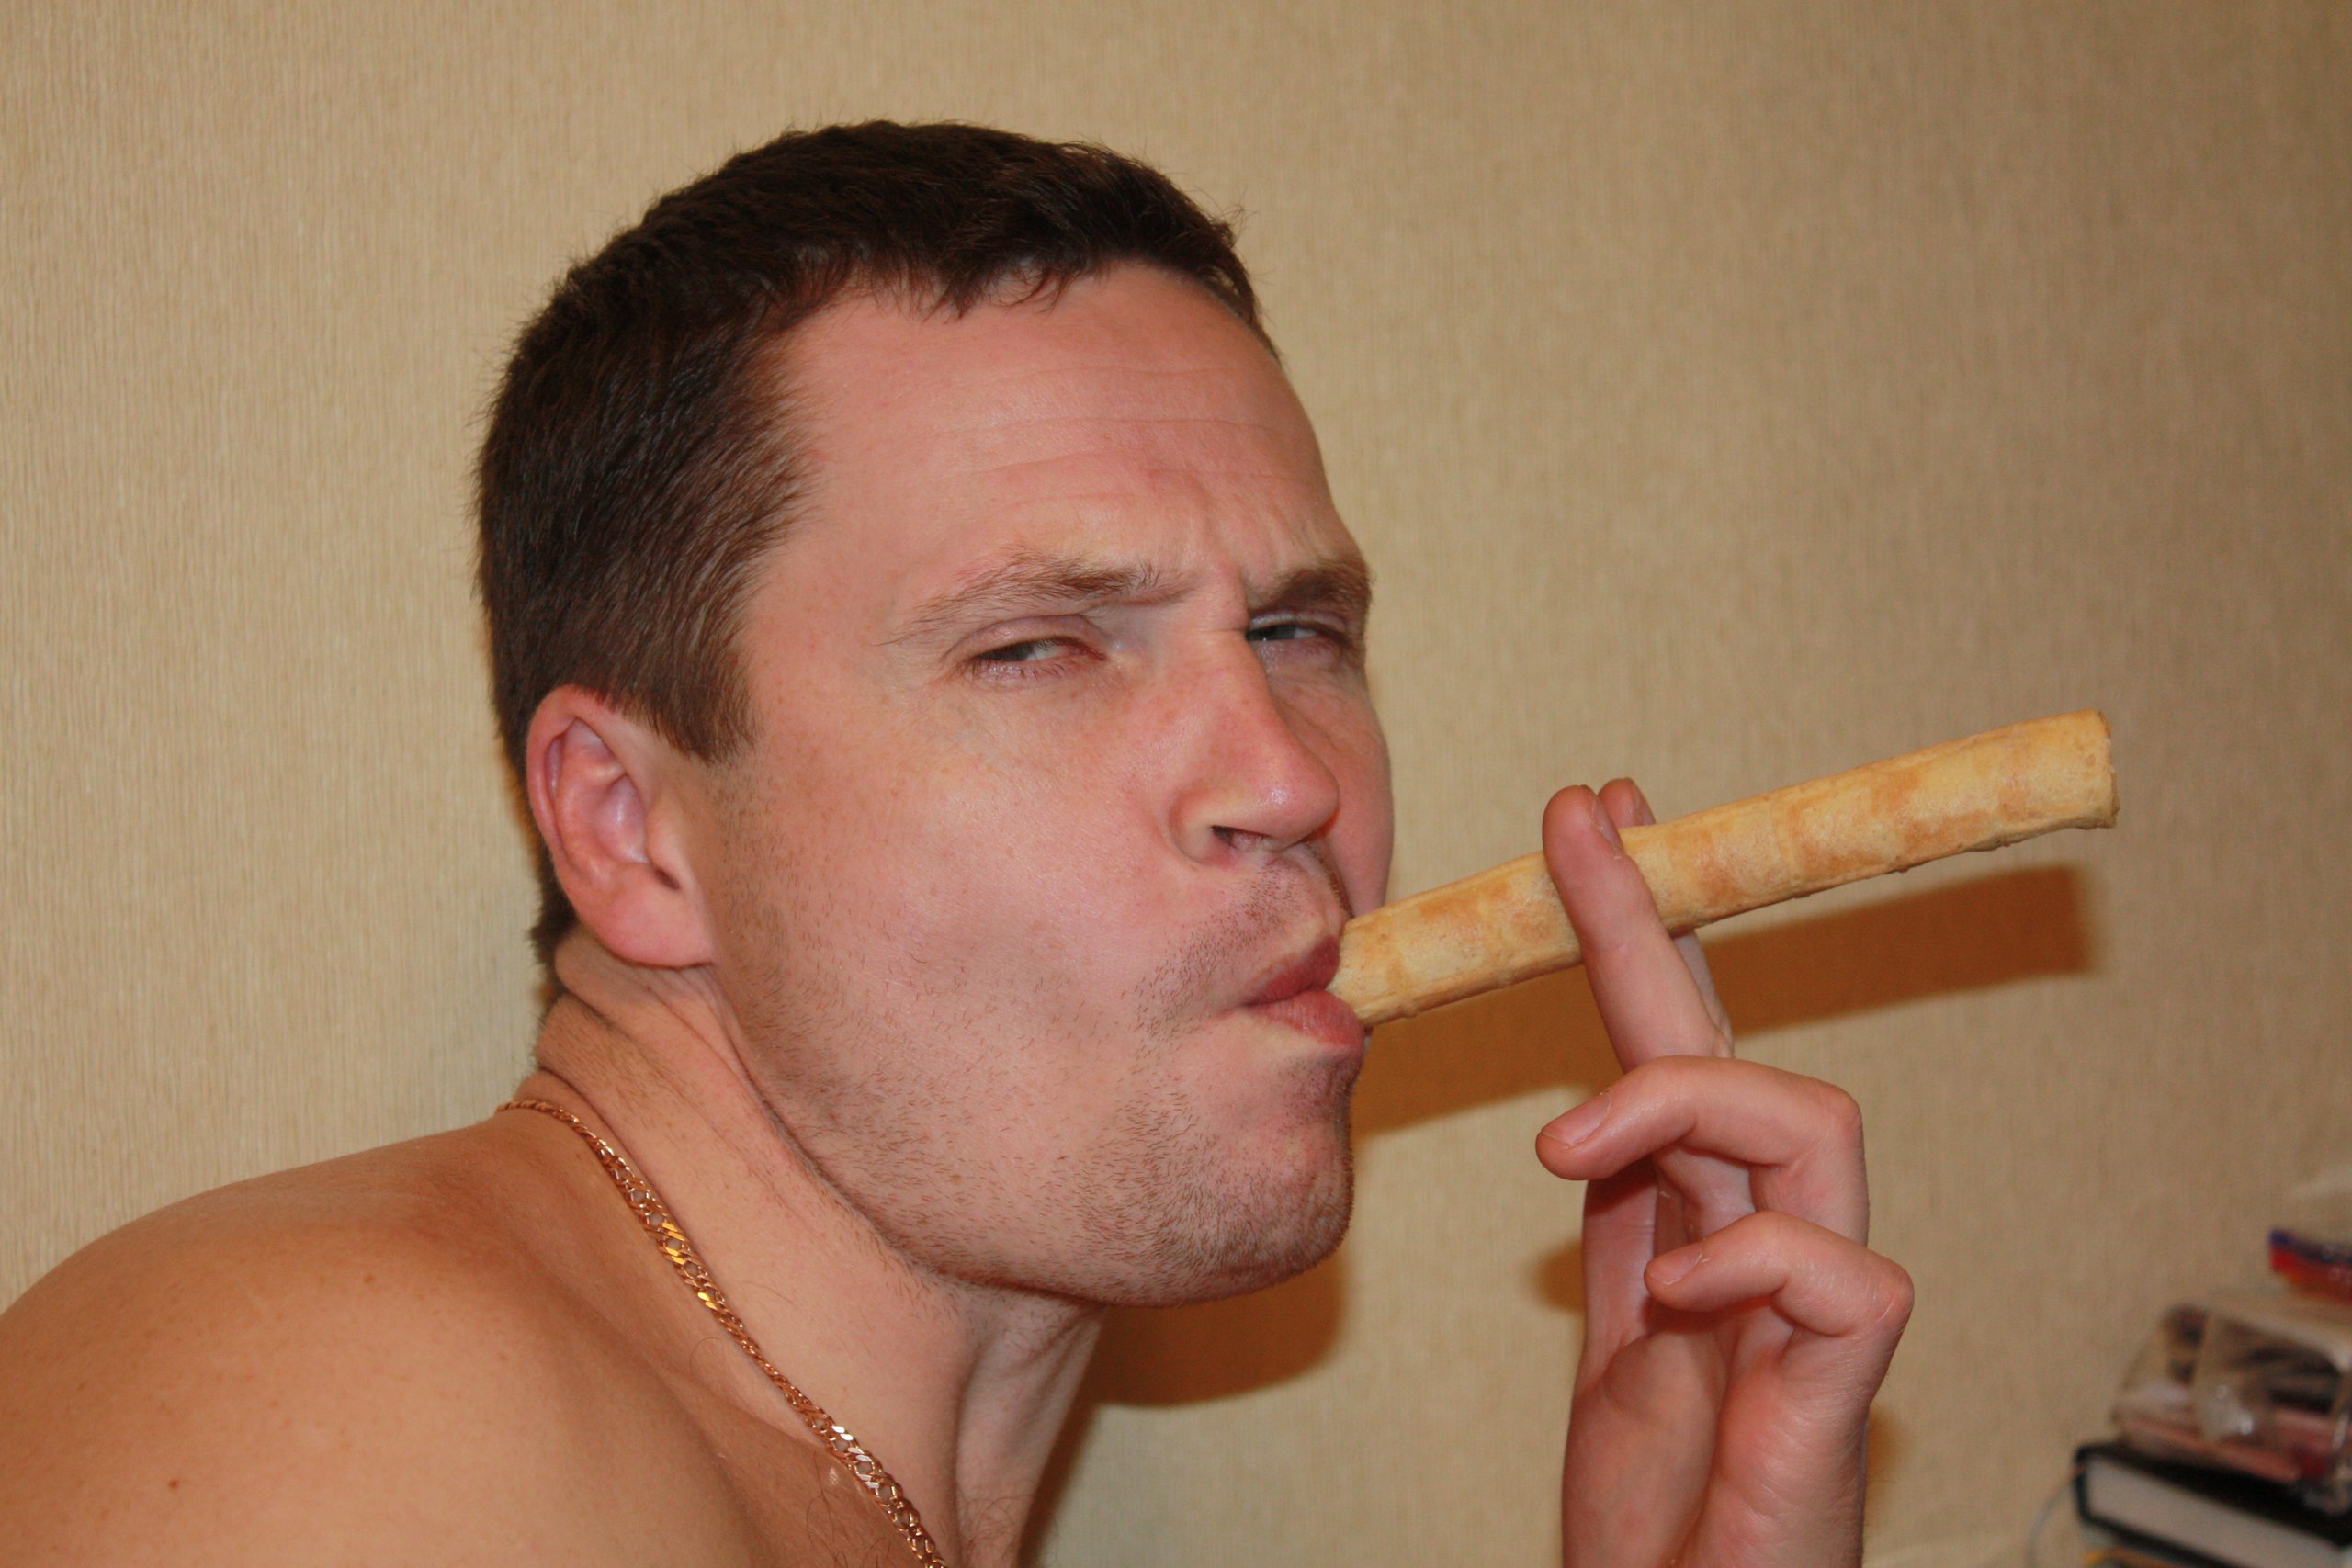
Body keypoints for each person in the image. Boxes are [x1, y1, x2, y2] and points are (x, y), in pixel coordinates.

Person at [0, 122, 1910, 1566]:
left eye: (1293, 629)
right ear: (630, 829)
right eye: (1037, 647)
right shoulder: (343, 1420)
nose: (1286, 779)